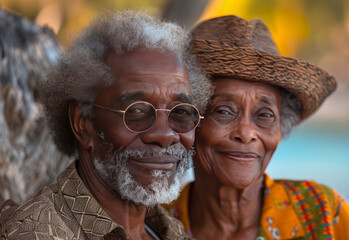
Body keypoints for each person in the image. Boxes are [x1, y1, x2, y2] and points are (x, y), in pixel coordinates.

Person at [0, 11, 212, 239]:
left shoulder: (172, 231)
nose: (165, 134)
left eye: (181, 111)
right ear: (83, 123)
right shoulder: (32, 233)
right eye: (137, 111)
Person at [156, 15, 349, 240]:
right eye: (224, 111)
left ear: (280, 126)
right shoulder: (154, 223)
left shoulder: (322, 214)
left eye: (265, 115)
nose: (246, 133)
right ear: (186, 122)